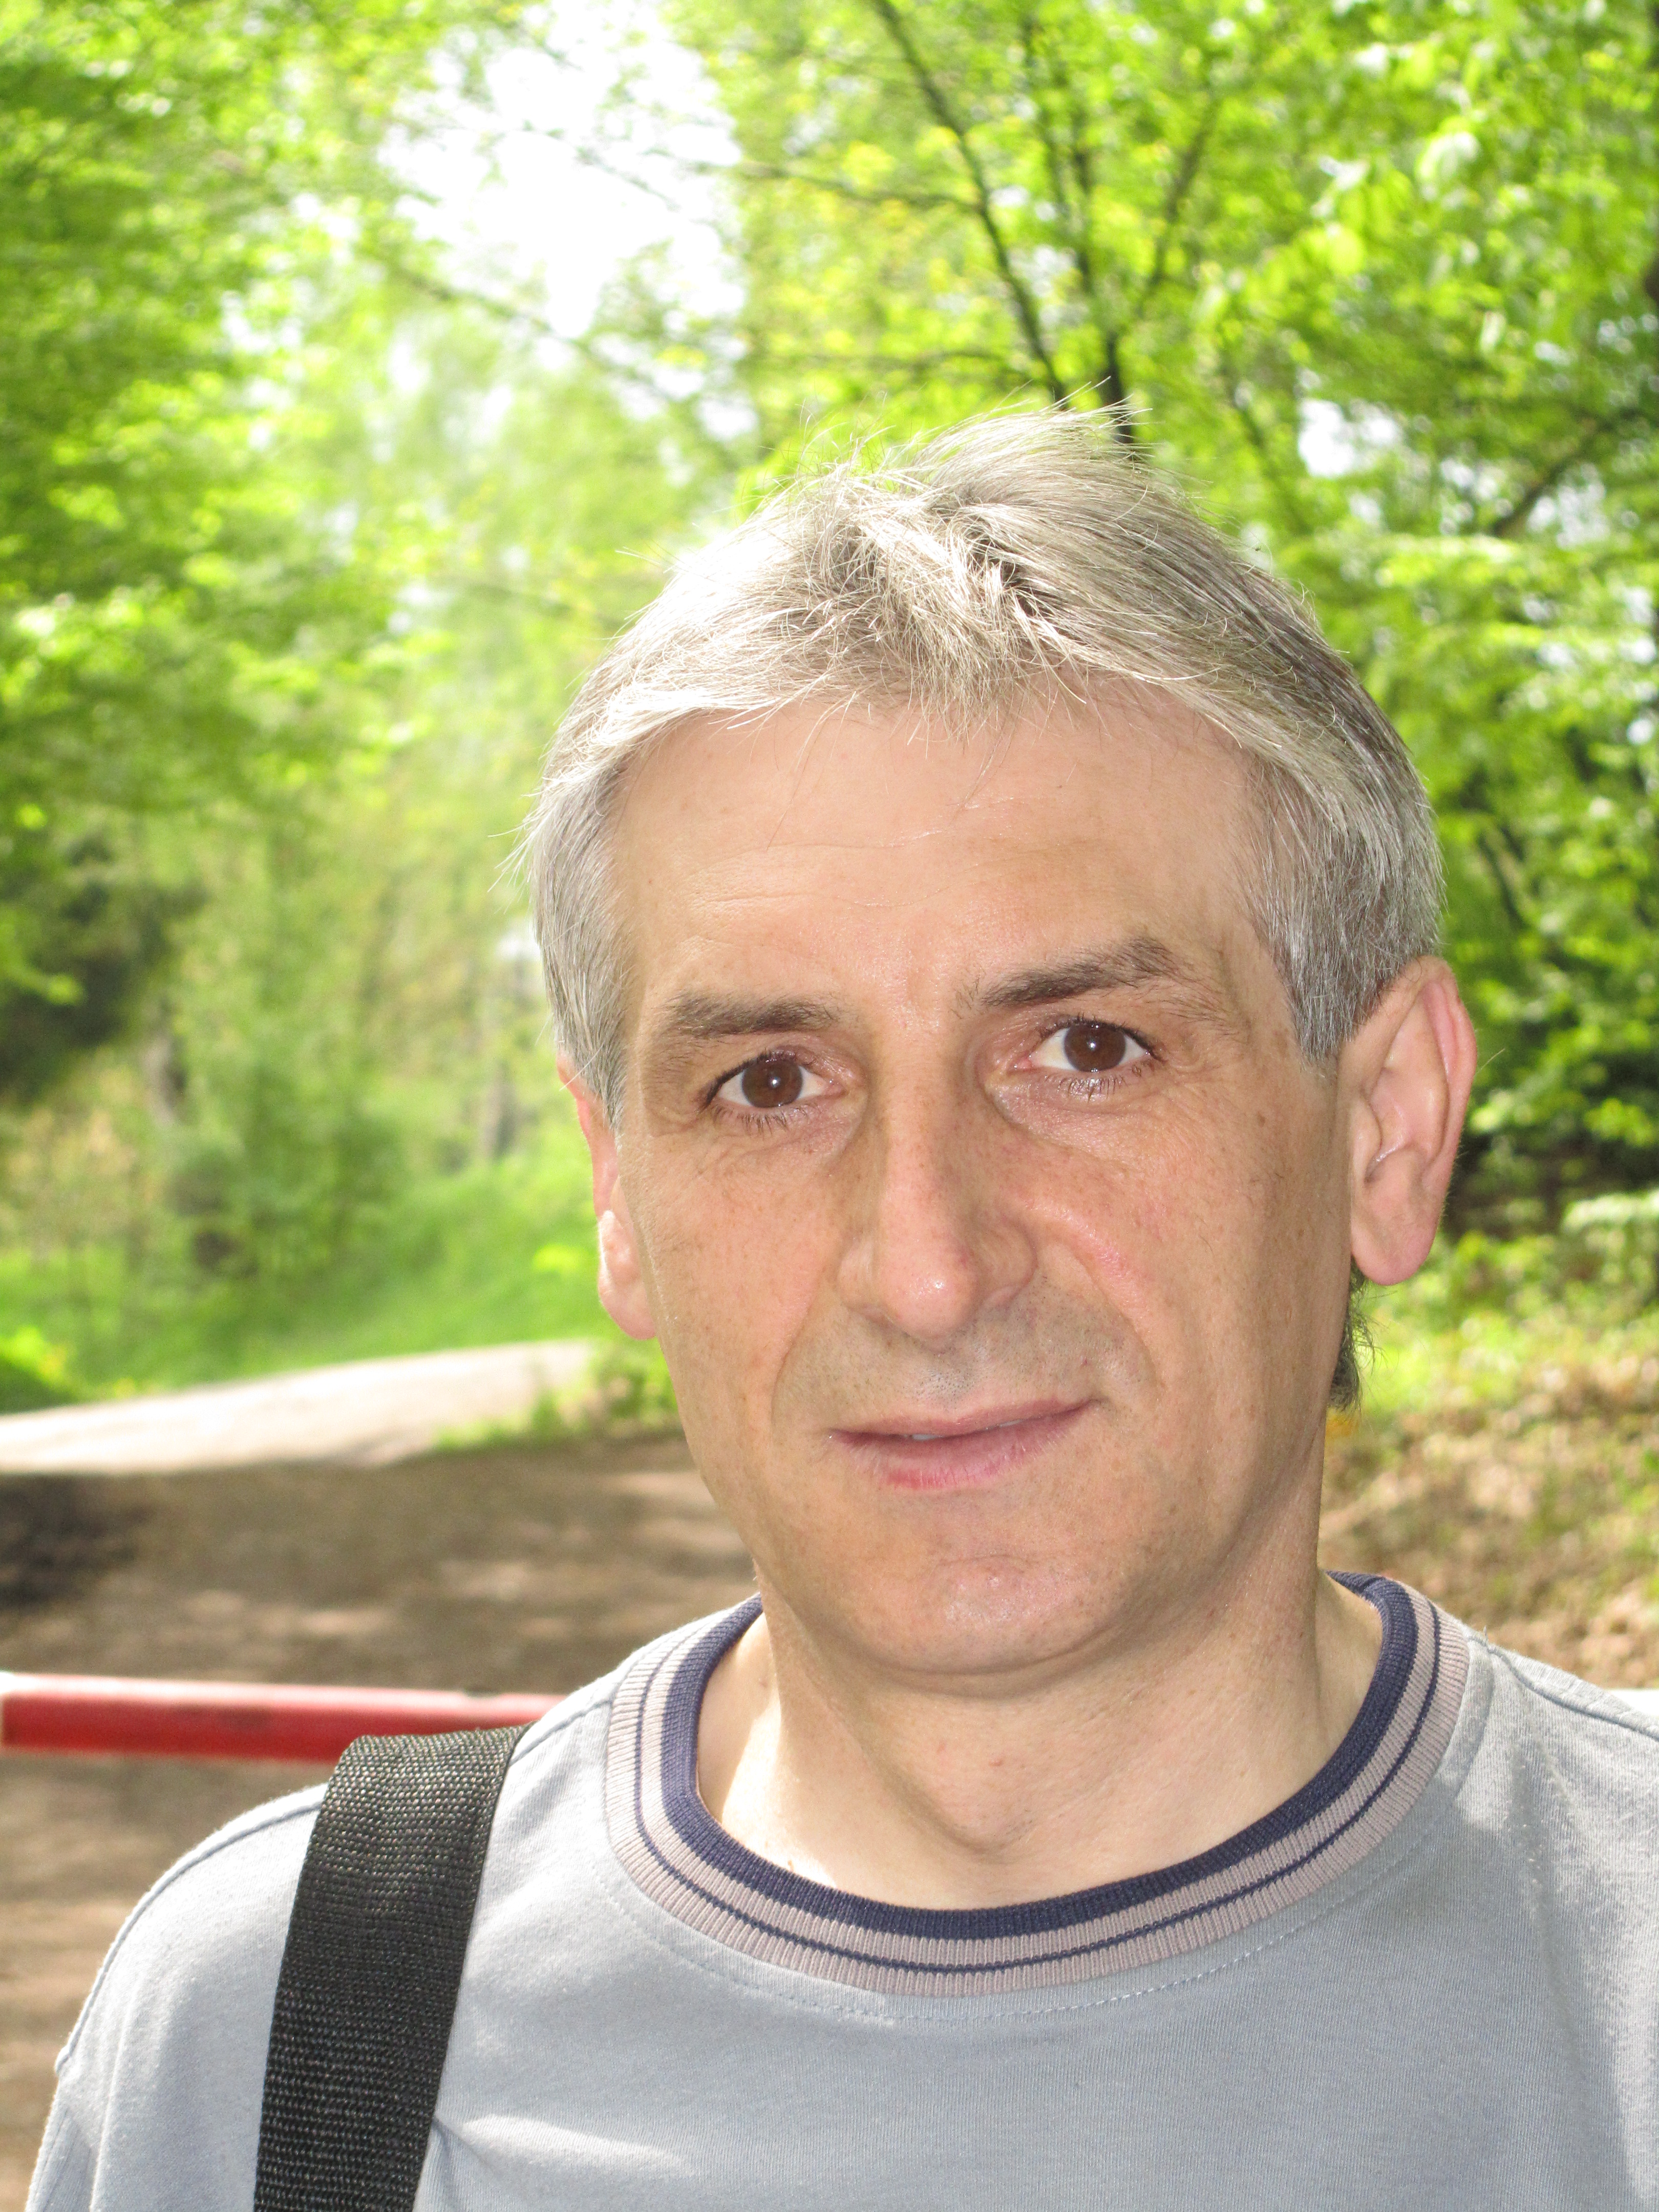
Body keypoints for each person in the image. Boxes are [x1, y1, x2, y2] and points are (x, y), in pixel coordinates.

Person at [29, 413, 1658, 2212]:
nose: (927, 1266)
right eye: (770, 1084)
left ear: (1385, 1128)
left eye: (1087, 1049)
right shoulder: (270, 2053)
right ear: (616, 1193)